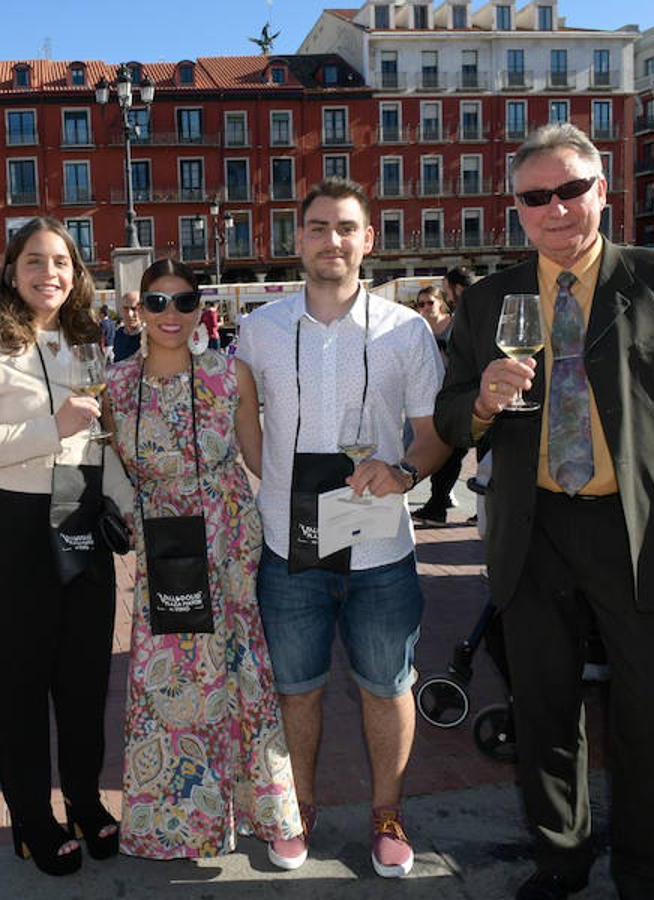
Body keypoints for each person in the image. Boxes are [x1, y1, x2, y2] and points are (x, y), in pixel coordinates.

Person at [434, 124, 654, 900]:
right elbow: (446, 420)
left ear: (602, 192)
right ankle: (560, 860)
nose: (557, 209)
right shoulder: (486, 301)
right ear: (517, 208)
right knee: (544, 713)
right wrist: (479, 401)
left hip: (643, 534)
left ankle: (647, 874)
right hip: (533, 530)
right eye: (537, 196)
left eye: (572, 189)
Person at [236, 178, 452, 879]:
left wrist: (405, 472)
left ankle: (387, 812)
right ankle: (298, 809)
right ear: (299, 239)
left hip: (381, 547)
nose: (333, 240)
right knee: (296, 688)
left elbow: (432, 434)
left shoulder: (407, 329)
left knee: (386, 685)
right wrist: (271, 485)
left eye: (347, 227)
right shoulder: (260, 327)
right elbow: (245, 415)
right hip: (287, 545)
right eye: (319, 227)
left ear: (368, 240)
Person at [0, 217, 132, 877]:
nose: (49, 273)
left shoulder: (86, 342)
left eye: (62, 262)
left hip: (78, 513)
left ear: (77, 273)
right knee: (18, 684)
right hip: (9, 525)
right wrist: (50, 428)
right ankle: (31, 819)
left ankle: (83, 800)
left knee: (83, 680)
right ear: (12, 272)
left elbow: (98, 440)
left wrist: (125, 507)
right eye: (34, 262)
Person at [105, 257, 301, 864]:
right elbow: (111, 471)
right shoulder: (113, 385)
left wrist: (328, 499)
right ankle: (178, 824)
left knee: (243, 676)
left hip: (228, 543)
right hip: (163, 547)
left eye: (184, 302)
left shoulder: (228, 374)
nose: (171, 315)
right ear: (136, 310)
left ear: (201, 309)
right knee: (168, 685)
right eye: (157, 303)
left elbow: (261, 459)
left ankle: (272, 815)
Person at [412, 284, 466, 527]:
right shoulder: (418, 327)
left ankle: (439, 500)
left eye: (429, 303)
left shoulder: (455, 325)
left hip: (452, 394)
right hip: (425, 396)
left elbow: (465, 356)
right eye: (420, 304)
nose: (424, 308)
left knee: (450, 448)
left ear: (440, 302)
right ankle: (438, 497)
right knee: (414, 443)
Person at [112, 291, 143, 363]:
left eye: (134, 308)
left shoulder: (150, 337)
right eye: (126, 308)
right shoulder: (119, 333)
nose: (129, 314)